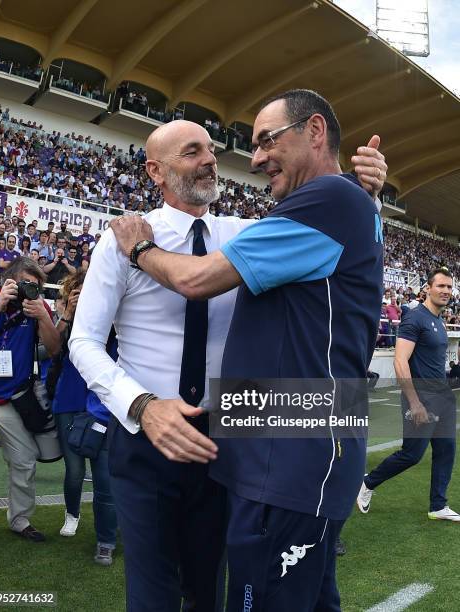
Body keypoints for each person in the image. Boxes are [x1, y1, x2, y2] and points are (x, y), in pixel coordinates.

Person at [70, 114, 387, 612]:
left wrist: (364, 189)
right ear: (155, 171)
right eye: (192, 151)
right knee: (151, 595)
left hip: (229, 443)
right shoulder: (120, 240)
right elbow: (83, 341)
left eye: (212, 151)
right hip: (146, 441)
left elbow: (329, 222)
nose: (210, 161)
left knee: (213, 592)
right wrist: (143, 407)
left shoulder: (244, 233)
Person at [358, 267, 459, 521]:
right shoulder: (415, 318)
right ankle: (367, 483)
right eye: (441, 286)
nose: (446, 291)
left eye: (449, 287)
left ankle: (438, 505)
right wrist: (414, 402)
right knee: (412, 454)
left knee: (446, 450)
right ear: (427, 288)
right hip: (421, 398)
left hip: (441, 397)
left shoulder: (438, 321)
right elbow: (400, 362)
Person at [0, 258, 60, 541]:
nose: (31, 289)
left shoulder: (36, 307)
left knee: (24, 460)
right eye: (26, 283)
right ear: (8, 279)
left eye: (37, 286)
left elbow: (54, 349)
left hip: (10, 398)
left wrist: (42, 316)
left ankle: (19, 519)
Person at [51, 270, 118, 565]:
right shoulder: (65, 316)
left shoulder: (113, 313)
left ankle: (106, 540)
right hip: (69, 398)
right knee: (75, 471)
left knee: (104, 476)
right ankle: (72, 513)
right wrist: (68, 313)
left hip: (104, 404)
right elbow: (50, 349)